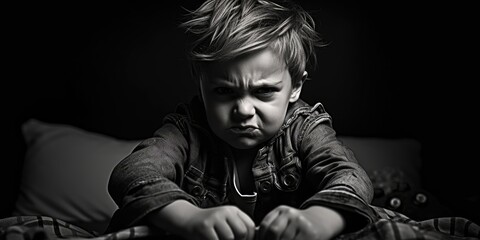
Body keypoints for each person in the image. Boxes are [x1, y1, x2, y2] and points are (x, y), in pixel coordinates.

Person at [106, 0, 377, 239]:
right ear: (201, 84)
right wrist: (187, 218)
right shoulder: (186, 131)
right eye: (224, 91)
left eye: (264, 91)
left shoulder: (305, 129)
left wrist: (320, 218)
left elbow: (349, 176)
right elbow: (132, 173)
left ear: (295, 87)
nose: (244, 110)